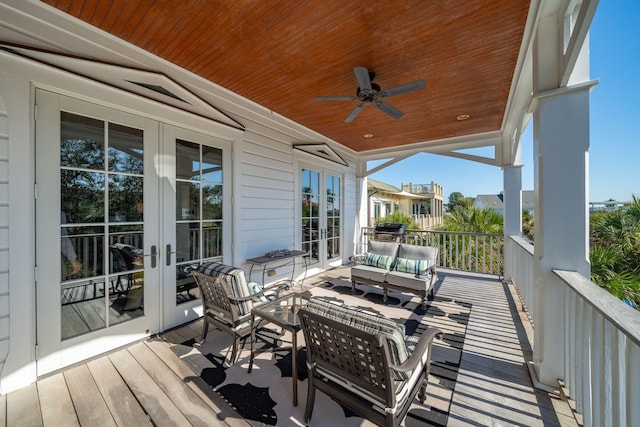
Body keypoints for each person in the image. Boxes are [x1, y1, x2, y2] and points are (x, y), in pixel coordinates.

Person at [61, 211, 82, 276]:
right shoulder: (61, 214)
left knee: (63, 238)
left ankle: (74, 263)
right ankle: (74, 263)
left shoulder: (60, 214)